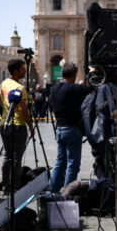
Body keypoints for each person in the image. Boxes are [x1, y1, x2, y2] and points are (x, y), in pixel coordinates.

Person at [48, 62, 93, 193]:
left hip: (59, 129)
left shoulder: (54, 89)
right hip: (72, 129)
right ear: (74, 75)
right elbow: (93, 88)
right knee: (72, 165)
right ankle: (68, 193)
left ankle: (52, 191)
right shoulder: (74, 88)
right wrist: (92, 73)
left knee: (59, 163)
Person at [0, 59, 33, 192]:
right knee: (17, 157)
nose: (25, 71)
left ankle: (5, 184)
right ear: (16, 71)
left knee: (8, 156)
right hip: (18, 125)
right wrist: (30, 126)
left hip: (4, 123)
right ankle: (15, 185)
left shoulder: (3, 83)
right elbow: (23, 109)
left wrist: (7, 109)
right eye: (23, 69)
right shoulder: (19, 88)